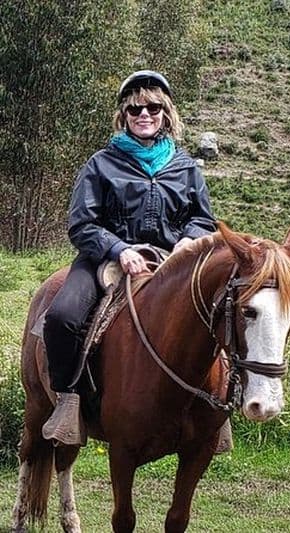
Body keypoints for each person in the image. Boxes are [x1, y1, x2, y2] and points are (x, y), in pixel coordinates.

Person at [42, 70, 218, 447]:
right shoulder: (101, 164)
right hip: (105, 259)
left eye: (153, 107)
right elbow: (82, 222)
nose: (144, 113)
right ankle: (69, 401)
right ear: (124, 114)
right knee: (62, 317)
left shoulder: (185, 167)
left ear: (165, 113)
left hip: (172, 262)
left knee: (223, 310)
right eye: (135, 107)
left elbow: (202, 218)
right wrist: (119, 250)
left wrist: (189, 242)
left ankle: (215, 409)